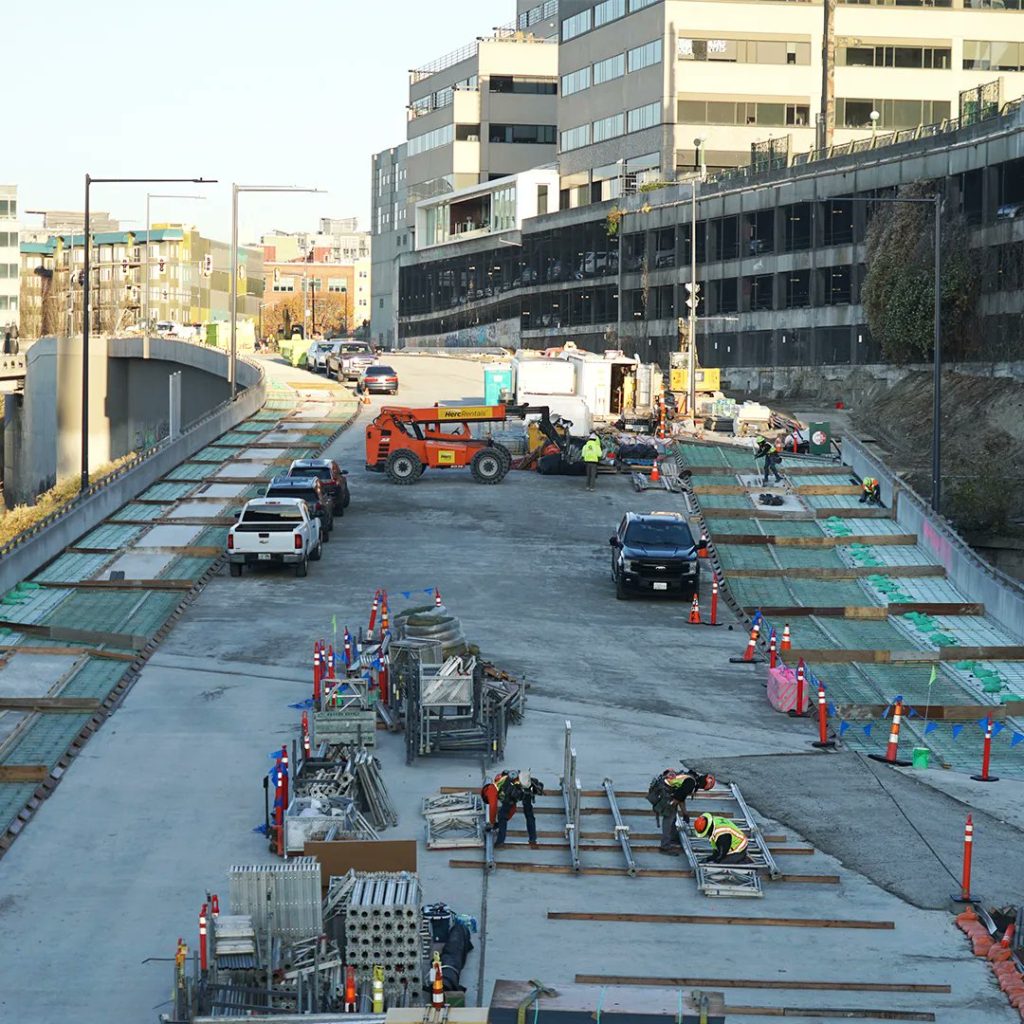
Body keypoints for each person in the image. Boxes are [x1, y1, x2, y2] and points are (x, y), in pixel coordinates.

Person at [648, 768, 715, 854]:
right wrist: (671, 806)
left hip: (665, 789)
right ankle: (665, 847)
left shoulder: (691, 778)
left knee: (673, 815)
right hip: (664, 791)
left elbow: (680, 797)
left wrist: (685, 813)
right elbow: (678, 798)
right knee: (669, 818)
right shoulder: (691, 783)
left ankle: (673, 838)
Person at [481, 769, 544, 848]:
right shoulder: (503, 785)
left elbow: (493, 805)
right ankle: (533, 839)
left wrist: (492, 823)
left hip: (515, 791)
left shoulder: (490, 789)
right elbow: (513, 809)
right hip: (524, 790)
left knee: (501, 815)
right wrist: (499, 824)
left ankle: (500, 842)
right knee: (529, 815)